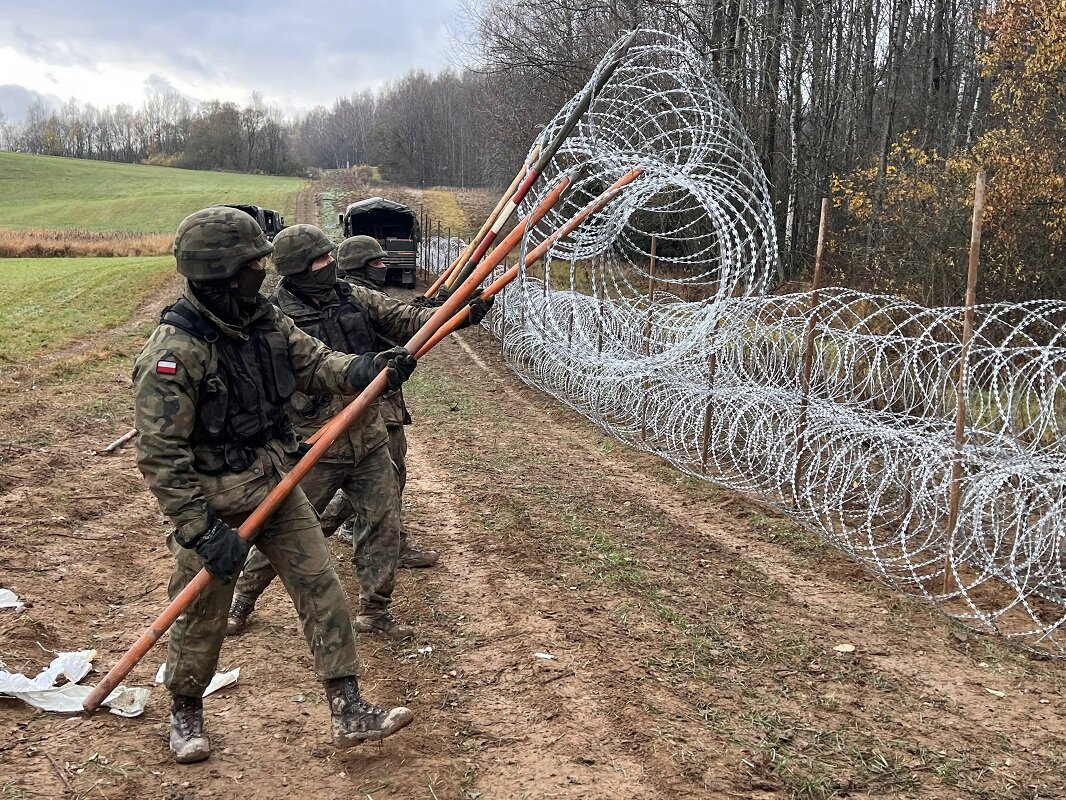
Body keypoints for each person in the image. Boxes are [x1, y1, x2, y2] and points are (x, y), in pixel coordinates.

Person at [132, 207, 414, 764]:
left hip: (276, 485)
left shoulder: (263, 319)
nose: (264, 270)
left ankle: (348, 708)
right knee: (201, 613)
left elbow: (317, 362)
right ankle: (185, 712)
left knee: (322, 589)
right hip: (212, 506)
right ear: (222, 273)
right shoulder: (173, 353)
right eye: (253, 263)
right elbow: (160, 455)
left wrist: (364, 370)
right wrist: (199, 529)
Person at [226, 226, 492, 640]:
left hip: (368, 433)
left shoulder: (352, 295)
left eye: (331, 257)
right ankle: (242, 600)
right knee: (288, 526)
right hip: (315, 440)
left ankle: (375, 609)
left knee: (383, 519)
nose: (330, 265)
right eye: (319, 261)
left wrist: (459, 314)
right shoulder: (273, 314)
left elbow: (406, 319)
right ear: (297, 269)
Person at [322, 235, 448, 568]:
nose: (384, 266)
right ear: (360, 266)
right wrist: (439, 313)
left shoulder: (363, 294)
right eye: (377, 262)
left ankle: (341, 523)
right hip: (376, 397)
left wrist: (435, 309)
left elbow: (403, 319)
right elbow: (398, 331)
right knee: (387, 474)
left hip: (380, 395)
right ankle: (369, 537)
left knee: (381, 473)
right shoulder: (355, 299)